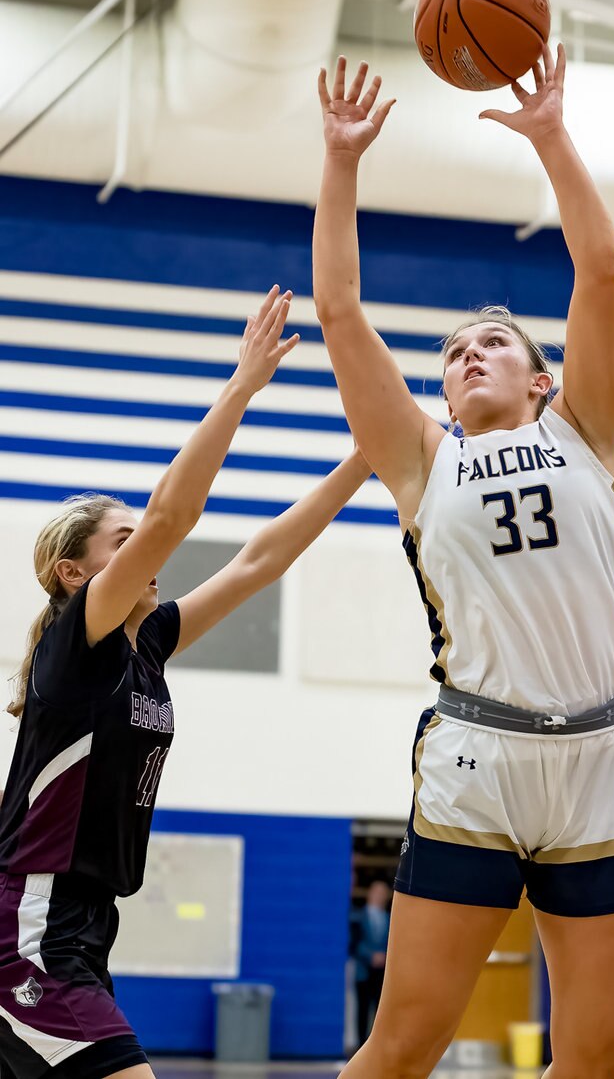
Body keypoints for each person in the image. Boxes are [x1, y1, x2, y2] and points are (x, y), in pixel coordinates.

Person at [313, 48, 614, 1079]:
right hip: (478, 760)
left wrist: (550, 133)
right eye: (454, 351)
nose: (467, 353)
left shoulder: (587, 432)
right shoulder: (420, 458)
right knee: (405, 1041)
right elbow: (338, 312)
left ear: (543, 376)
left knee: (592, 1057)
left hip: (603, 761)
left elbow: (599, 269)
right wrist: (341, 166)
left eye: (493, 342)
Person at [0, 286, 370, 1079]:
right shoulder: (79, 644)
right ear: (76, 572)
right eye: (124, 541)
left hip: (86, 924)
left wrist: (368, 455)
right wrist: (241, 386)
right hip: (31, 927)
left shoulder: (147, 646)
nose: (148, 551)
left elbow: (259, 559)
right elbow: (173, 515)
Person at [351, 881, 392, 1046]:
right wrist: (370, 956)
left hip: (382, 972)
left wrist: (384, 956)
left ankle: (376, 1045)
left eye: (383, 893)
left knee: (379, 1010)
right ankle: (360, 1044)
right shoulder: (359, 917)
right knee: (362, 1008)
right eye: (377, 892)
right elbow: (354, 943)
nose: (379, 896)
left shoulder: (390, 918)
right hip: (364, 970)